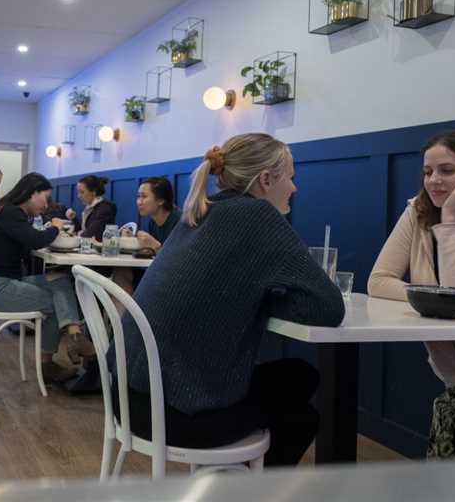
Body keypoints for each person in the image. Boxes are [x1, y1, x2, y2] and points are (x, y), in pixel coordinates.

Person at [111, 133, 345, 467]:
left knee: (297, 386)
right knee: (302, 393)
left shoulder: (201, 211)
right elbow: (328, 307)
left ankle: (230, 482)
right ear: (265, 180)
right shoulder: (258, 217)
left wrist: (252, 296)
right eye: (291, 177)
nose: (294, 187)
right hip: (175, 417)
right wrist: (262, 300)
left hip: (128, 397)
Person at [368, 130, 455, 459]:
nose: (433, 181)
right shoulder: (417, 210)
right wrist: (434, 299)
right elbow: (379, 280)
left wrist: (452, 222)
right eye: (427, 172)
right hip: (452, 377)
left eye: (447, 171)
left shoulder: (446, 215)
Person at [0, 172, 96, 382]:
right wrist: (56, 227)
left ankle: (74, 334)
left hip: (0, 281)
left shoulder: (9, 212)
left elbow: (30, 240)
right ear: (33, 193)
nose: (46, 203)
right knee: (55, 301)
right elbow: (36, 240)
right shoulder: (10, 213)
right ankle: (48, 364)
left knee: (60, 278)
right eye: (45, 197)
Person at [114, 177, 181, 296]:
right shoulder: (153, 221)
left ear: (160, 200)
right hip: (157, 272)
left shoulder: (180, 221)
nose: (139, 202)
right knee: (121, 272)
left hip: (173, 281)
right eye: (138, 196)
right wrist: (133, 240)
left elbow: (178, 263)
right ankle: (124, 315)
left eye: (144, 197)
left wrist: (155, 246)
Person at [66, 175, 117, 241]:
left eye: (82, 192)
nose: (78, 196)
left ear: (93, 192)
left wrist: (74, 236)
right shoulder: (89, 208)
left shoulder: (105, 208)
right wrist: (73, 219)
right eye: (78, 192)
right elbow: (83, 231)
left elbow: (89, 234)